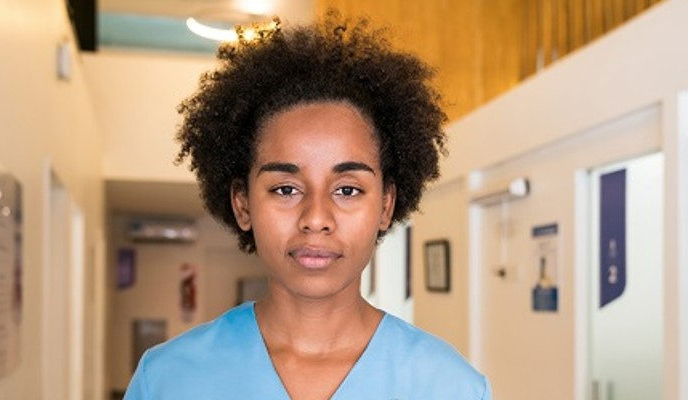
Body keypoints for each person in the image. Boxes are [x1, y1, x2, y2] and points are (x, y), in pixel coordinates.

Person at [124, 11, 491, 400]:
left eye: (347, 190)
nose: (316, 219)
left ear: (386, 205)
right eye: (285, 189)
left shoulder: (451, 387)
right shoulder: (166, 379)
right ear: (243, 203)